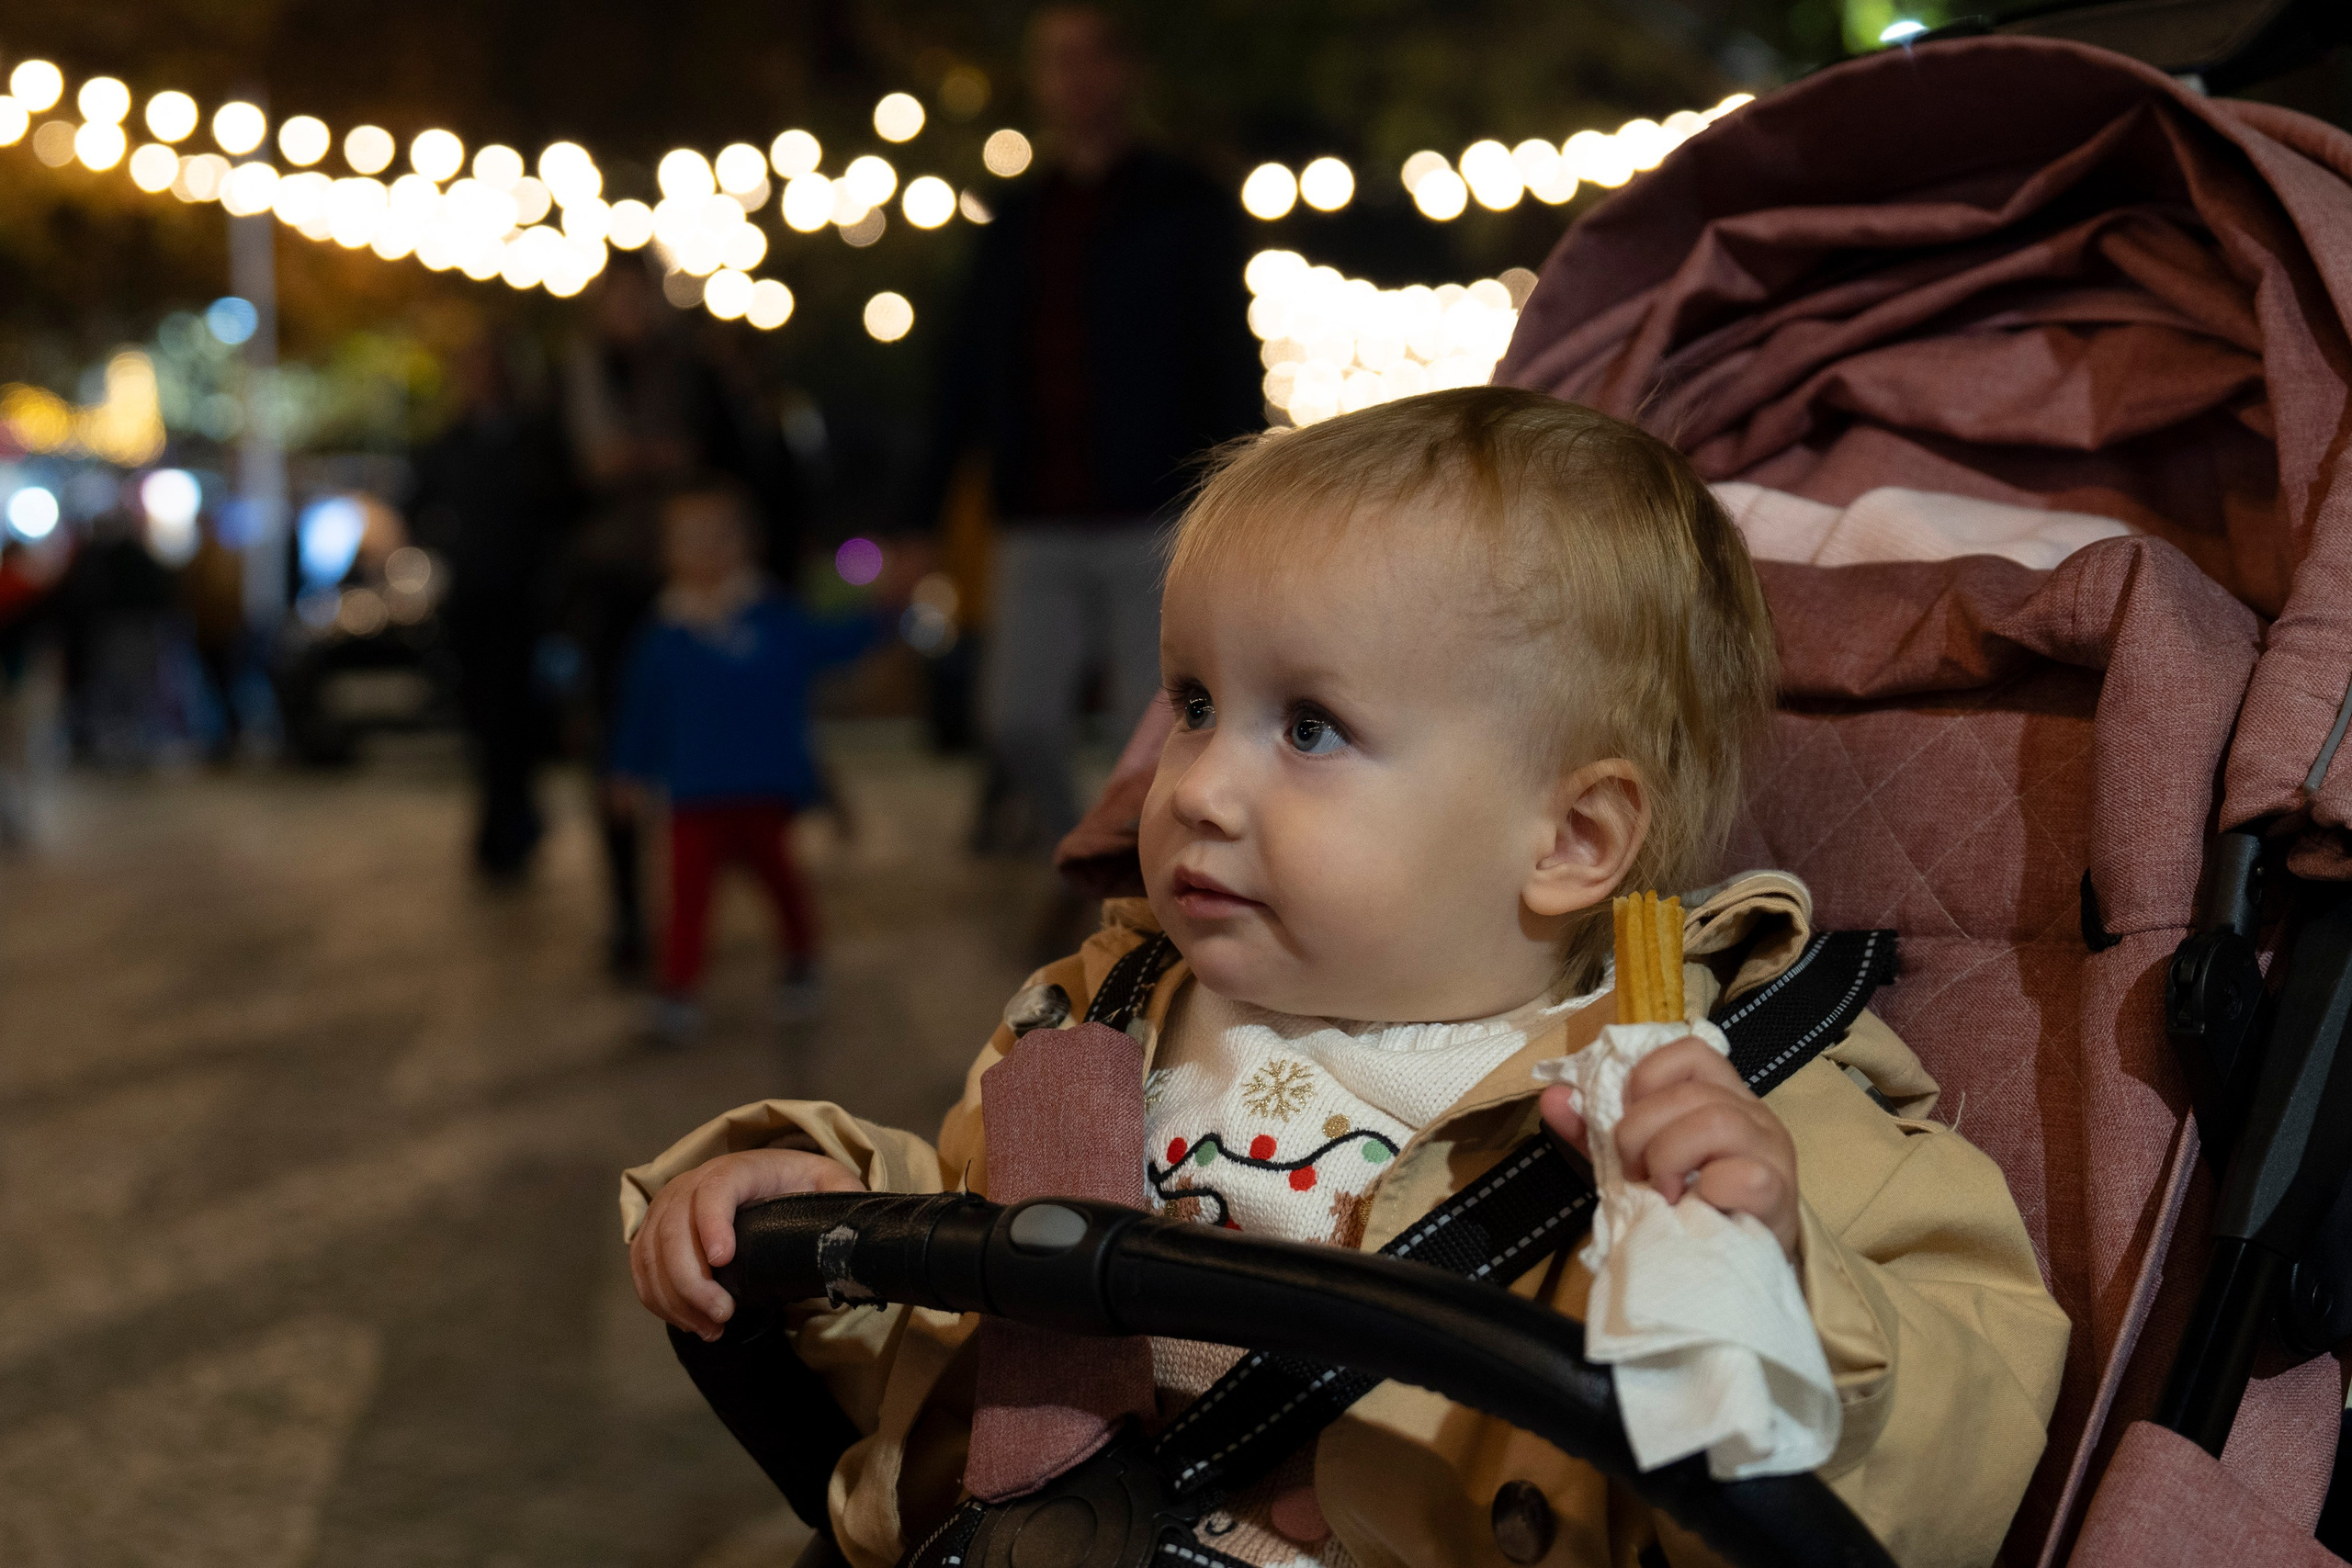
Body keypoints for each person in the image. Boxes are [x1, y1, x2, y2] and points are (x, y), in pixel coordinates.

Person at [623, 389, 2069, 1567]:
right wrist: (817, 1220)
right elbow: (957, 1348)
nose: (1196, 786)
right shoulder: (1104, 1017)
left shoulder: (1709, 1091)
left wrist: (1782, 1275)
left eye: (1307, 726)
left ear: (1569, 838)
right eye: (1192, 703)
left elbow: (1958, 1458)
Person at [907, 3, 1261, 858]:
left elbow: (1225, 350)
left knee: (1160, 723)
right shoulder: (1016, 221)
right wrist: (918, 514)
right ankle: (1097, 857)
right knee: (1017, 718)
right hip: (1038, 511)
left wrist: (1242, 491)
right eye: (1056, 61)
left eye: (1089, 57)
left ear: (1126, 70)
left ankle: (1148, 876)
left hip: (1156, 509)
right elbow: (967, 369)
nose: (1075, 78)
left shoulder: (1187, 204)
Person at [565, 259, 804, 970]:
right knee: (620, 741)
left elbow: (752, 467)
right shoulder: (575, 379)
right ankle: (632, 914)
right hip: (610, 587)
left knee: (717, 749)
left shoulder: (697, 379)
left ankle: (735, 889)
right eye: (620, 297)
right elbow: (547, 484)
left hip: (702, 586)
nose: (632, 309)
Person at [607, 482, 877, 1039]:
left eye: (719, 537)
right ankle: (678, 991)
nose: (706, 551)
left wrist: (890, 612)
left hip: (762, 788)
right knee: (685, 898)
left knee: (781, 881)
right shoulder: (664, 636)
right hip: (693, 791)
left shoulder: (774, 618)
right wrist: (627, 771)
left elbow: (831, 644)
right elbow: (641, 712)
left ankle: (802, 960)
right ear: (667, 553)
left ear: (747, 544)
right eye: (691, 540)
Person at [408, 335, 582, 878]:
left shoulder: (534, 441)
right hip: (473, 601)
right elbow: (416, 505)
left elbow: (561, 511)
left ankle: (510, 826)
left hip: (526, 601)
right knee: (485, 718)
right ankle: (505, 824)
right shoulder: (450, 443)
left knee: (518, 717)